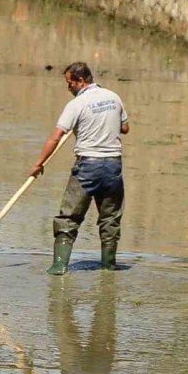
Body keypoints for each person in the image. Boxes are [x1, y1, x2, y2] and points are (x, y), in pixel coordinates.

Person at [29, 62, 129, 274]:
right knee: (110, 220)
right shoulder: (114, 96)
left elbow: (56, 136)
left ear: (81, 81)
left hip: (87, 167)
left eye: (70, 83)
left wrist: (39, 164)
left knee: (68, 218)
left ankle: (58, 268)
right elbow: (125, 128)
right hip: (113, 166)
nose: (68, 87)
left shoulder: (76, 104)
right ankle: (109, 268)